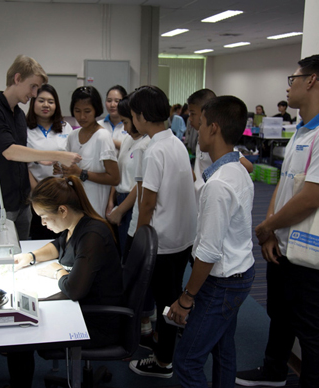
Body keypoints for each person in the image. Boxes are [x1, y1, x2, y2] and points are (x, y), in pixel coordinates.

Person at [236, 53, 319, 388]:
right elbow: (283, 187)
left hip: (307, 249)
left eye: (293, 78)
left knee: (309, 328)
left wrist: (268, 225)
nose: (290, 85)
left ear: (311, 80)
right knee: (280, 316)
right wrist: (269, 229)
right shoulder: (302, 131)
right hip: (280, 243)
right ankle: (273, 371)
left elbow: (313, 197)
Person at [168, 96, 255, 388]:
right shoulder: (239, 170)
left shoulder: (218, 184)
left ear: (214, 128)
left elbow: (208, 251)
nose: (197, 128)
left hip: (222, 283)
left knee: (187, 360)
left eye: (201, 122)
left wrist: (187, 297)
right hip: (240, 273)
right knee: (222, 347)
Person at [7, 175, 123, 388]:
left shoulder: (92, 235)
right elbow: (58, 245)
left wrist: (58, 272)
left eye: (44, 217)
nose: (42, 223)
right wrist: (31, 257)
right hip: (82, 308)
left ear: (62, 210)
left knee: (22, 331)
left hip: (96, 321)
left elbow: (74, 289)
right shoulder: (75, 225)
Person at [128, 86, 197, 378]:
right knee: (170, 297)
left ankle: (163, 361)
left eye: (133, 116)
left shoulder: (154, 150)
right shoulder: (176, 143)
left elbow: (148, 203)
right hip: (182, 238)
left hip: (163, 241)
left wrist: (140, 244)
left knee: (165, 302)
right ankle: (167, 349)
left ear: (142, 117)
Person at [0, 55, 81, 242]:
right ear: (17, 79)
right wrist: (58, 155)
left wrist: (39, 160)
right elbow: (9, 151)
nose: (34, 94)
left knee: (22, 249)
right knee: (0, 253)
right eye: (33, 87)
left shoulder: (17, 114)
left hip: (22, 200)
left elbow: (21, 153)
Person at [57, 86, 120, 218]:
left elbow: (114, 178)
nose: (82, 116)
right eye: (77, 111)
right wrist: (62, 169)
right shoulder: (72, 136)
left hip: (94, 211)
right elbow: (69, 172)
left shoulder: (102, 136)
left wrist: (81, 173)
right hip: (74, 207)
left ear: (96, 110)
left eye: (87, 111)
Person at [187, 89, 253, 203]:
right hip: (201, 196)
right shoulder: (202, 141)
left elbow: (248, 166)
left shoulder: (216, 143)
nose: (190, 118)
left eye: (193, 113)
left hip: (214, 194)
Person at [25, 84, 73, 239]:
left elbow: (72, 158)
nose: (46, 105)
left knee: (63, 235)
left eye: (51, 101)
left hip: (62, 192)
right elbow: (22, 163)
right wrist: (37, 191)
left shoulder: (65, 128)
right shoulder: (24, 129)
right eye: (41, 100)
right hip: (36, 191)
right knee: (40, 234)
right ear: (33, 102)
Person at [106, 96, 150, 255]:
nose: (124, 128)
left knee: (130, 254)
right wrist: (111, 202)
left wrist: (121, 210)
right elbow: (118, 173)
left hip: (132, 204)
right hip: (120, 200)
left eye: (125, 122)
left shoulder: (147, 144)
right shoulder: (127, 139)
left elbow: (141, 185)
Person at [97, 85, 129, 151]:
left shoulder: (130, 126)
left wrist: (108, 141)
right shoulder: (97, 125)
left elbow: (132, 148)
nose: (112, 105)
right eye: (109, 101)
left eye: (117, 101)